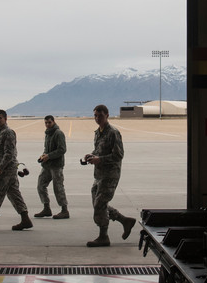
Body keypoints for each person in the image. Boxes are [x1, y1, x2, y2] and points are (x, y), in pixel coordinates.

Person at [81, 103, 136, 247]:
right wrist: (92, 155)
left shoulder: (113, 132)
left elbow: (119, 155)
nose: (97, 118)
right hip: (99, 175)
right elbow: (100, 150)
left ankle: (103, 236)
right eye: (95, 115)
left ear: (107, 115)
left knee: (100, 204)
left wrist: (100, 159)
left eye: (100, 115)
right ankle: (125, 220)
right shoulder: (98, 132)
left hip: (110, 175)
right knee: (98, 203)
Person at [34, 114, 69, 219]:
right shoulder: (48, 134)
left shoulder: (58, 133)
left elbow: (62, 149)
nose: (47, 125)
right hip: (47, 165)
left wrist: (49, 156)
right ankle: (46, 208)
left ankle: (64, 210)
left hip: (56, 166)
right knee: (40, 185)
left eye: (49, 122)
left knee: (58, 187)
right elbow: (47, 148)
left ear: (53, 122)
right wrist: (43, 156)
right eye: (46, 123)